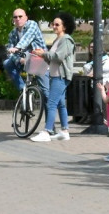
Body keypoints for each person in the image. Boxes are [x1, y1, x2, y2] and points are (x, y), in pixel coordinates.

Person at [30, 12, 76, 142]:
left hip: (60, 76)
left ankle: (47, 131)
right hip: (55, 75)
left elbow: (58, 57)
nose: (54, 26)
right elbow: (53, 59)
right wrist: (42, 55)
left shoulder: (66, 40)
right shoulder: (58, 40)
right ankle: (64, 131)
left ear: (65, 27)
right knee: (61, 104)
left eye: (57, 24)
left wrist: (43, 54)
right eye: (53, 24)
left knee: (51, 103)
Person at [3, 8, 47, 93]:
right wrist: (19, 59)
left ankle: (51, 106)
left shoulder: (32, 25)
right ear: (13, 20)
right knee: (7, 63)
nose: (18, 19)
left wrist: (17, 48)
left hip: (39, 60)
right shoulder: (12, 33)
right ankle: (23, 90)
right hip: (24, 60)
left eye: (20, 16)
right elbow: (10, 53)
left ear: (26, 17)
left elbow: (26, 39)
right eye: (15, 17)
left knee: (45, 91)